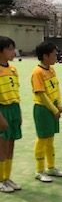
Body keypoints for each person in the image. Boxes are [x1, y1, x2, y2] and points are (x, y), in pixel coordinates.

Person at [31, 41, 62, 183]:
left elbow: (55, 89)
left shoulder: (51, 70)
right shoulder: (37, 72)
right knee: (42, 139)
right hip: (42, 109)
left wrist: (59, 104)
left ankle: (51, 167)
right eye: (54, 54)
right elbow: (41, 94)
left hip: (53, 109)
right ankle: (39, 171)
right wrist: (53, 109)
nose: (56, 56)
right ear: (45, 56)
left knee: (50, 139)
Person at [0, 36, 22, 193]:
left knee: (11, 145)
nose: (13, 52)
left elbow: (16, 92)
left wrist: (19, 112)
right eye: (10, 48)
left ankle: (7, 177)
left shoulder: (13, 69)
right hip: (2, 109)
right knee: (2, 146)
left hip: (14, 108)